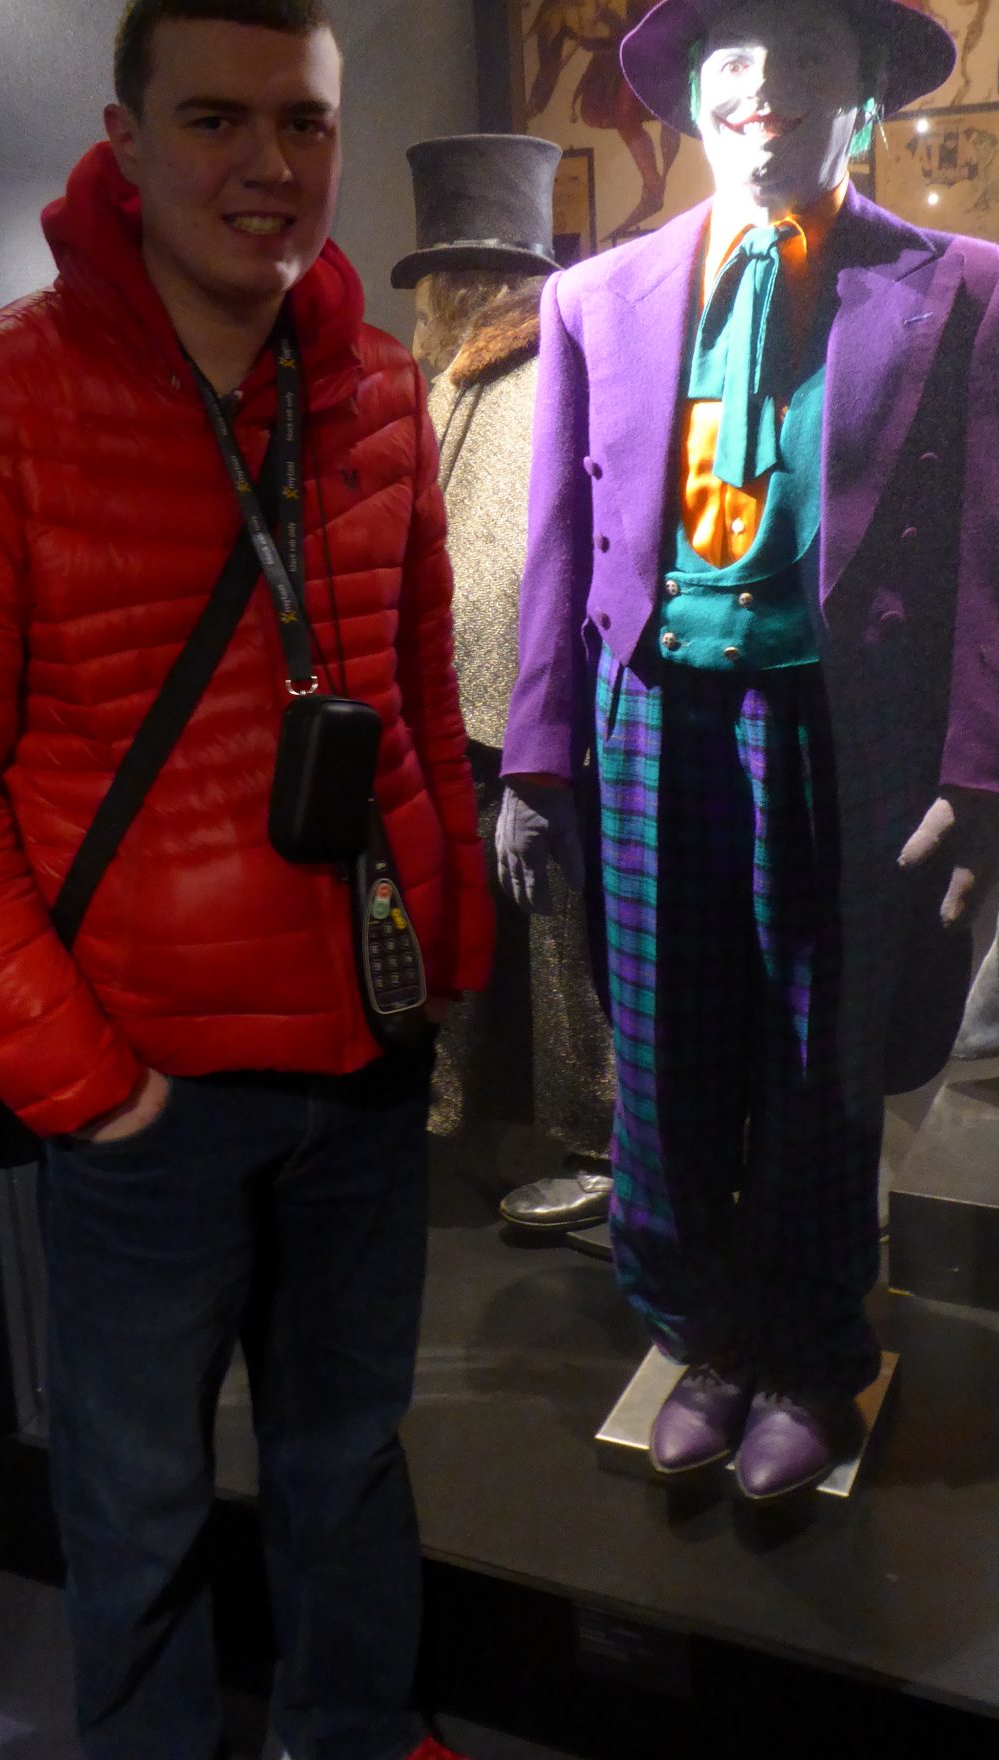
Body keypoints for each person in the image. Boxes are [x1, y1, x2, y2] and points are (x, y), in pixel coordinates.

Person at [0, 0, 491, 1760]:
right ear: (123, 140)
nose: (266, 164)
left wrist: (443, 951)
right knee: (130, 1497)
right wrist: (81, 1080)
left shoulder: (376, 391)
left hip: (359, 1056)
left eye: (305, 122)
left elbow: (416, 696)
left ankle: (356, 1730)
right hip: (144, 1085)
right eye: (215, 119)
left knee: (346, 1451)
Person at [497, 0, 999, 1501]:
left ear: (862, 89)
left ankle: (810, 1348)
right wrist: (537, 756)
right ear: (693, 91)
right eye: (737, 55)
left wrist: (990, 774)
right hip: (651, 718)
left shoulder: (967, 288)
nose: (766, 86)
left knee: (820, 1053)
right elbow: (557, 545)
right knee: (665, 1052)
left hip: (834, 726)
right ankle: (704, 1335)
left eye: (809, 52)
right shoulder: (593, 299)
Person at [393, 134, 615, 1229]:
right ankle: (479, 1115)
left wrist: (535, 732)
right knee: (501, 923)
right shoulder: (456, 379)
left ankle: (603, 1140)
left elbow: (529, 565)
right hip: (475, 716)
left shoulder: (540, 376)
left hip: (525, 719)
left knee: (563, 935)